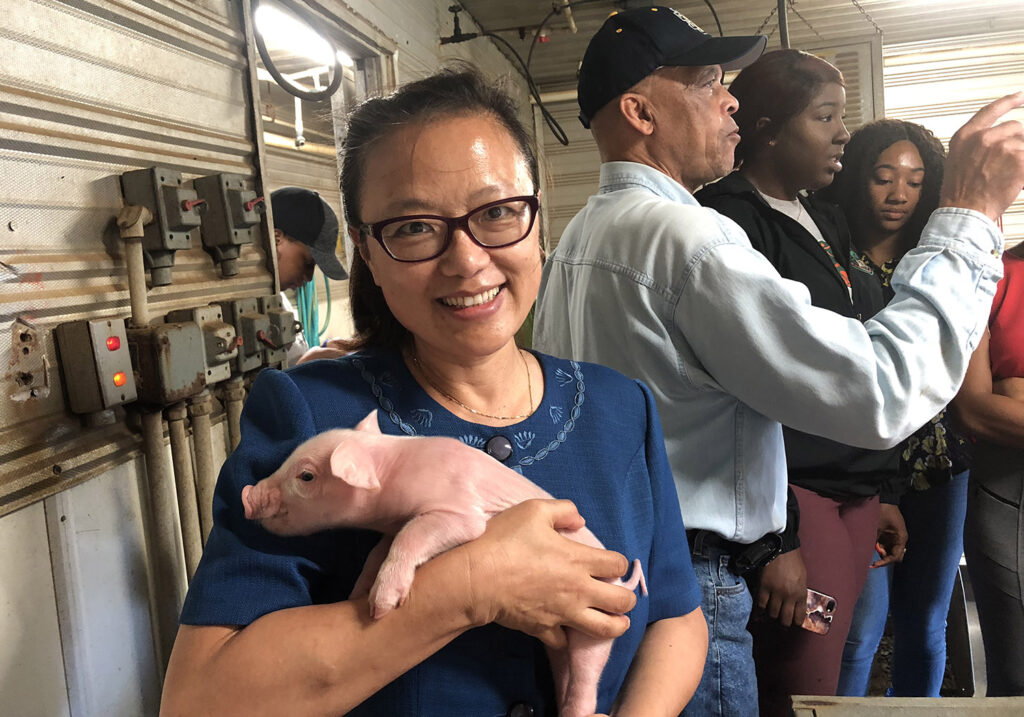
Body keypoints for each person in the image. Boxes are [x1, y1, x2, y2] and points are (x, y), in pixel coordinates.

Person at [159, 66, 707, 717]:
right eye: (415, 227)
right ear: (367, 249)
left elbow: (675, 615)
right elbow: (200, 701)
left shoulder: (620, 407)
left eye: (499, 211)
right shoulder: (312, 420)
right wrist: (475, 583)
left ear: (538, 216)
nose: (467, 259)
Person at [532, 6, 1024, 715]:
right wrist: (970, 216)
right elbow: (879, 388)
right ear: (641, 111)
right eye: (705, 83)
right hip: (694, 574)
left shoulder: (584, 236)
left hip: (633, 559)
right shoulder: (691, 241)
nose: (730, 98)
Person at [694, 49, 905, 713]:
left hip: (854, 491)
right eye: (825, 116)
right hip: (797, 495)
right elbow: (738, 392)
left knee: (848, 662)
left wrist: (884, 486)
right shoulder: (730, 223)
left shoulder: (823, 216)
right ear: (766, 129)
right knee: (803, 678)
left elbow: (856, 347)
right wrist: (776, 539)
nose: (843, 132)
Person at [823, 120, 972, 698]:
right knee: (862, 628)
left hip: (939, 468)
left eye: (913, 181)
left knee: (925, 623)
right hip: (856, 470)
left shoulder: (933, 264)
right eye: (883, 178)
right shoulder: (832, 262)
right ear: (859, 178)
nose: (897, 193)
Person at [953, 243, 1024, 696]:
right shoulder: (994, 275)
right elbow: (974, 408)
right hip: (1007, 492)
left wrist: (1012, 395)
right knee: (1015, 674)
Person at [269, 186, 349, 364]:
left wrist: (324, 349)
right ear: (276, 239)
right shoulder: (246, 307)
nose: (309, 278)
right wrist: (306, 363)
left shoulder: (280, 300)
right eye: (307, 263)